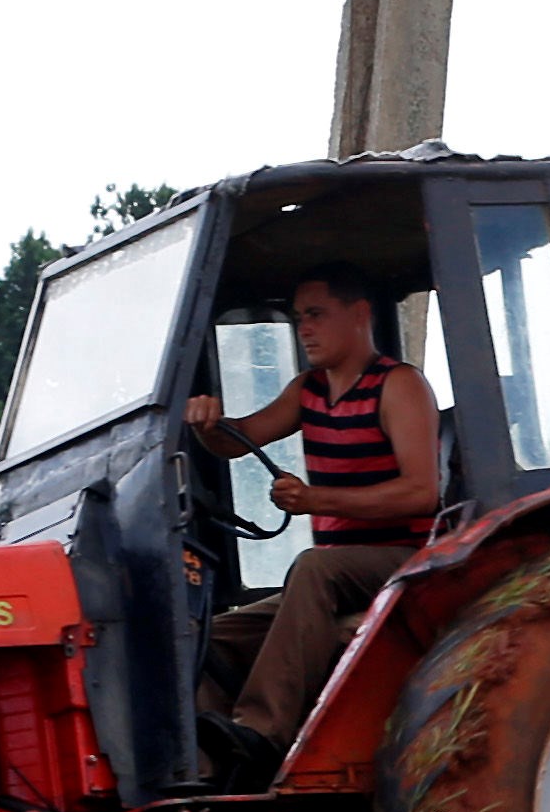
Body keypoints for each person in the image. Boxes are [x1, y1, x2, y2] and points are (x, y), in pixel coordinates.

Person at [189, 267, 443, 750]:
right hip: (336, 574)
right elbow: (238, 439)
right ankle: (214, 762)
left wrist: (315, 500)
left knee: (313, 566)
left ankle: (259, 732)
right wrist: (208, 425)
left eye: (316, 315)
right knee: (209, 637)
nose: (304, 328)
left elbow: (421, 493)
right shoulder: (308, 390)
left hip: (404, 561)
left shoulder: (398, 386)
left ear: (360, 315)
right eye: (299, 317)